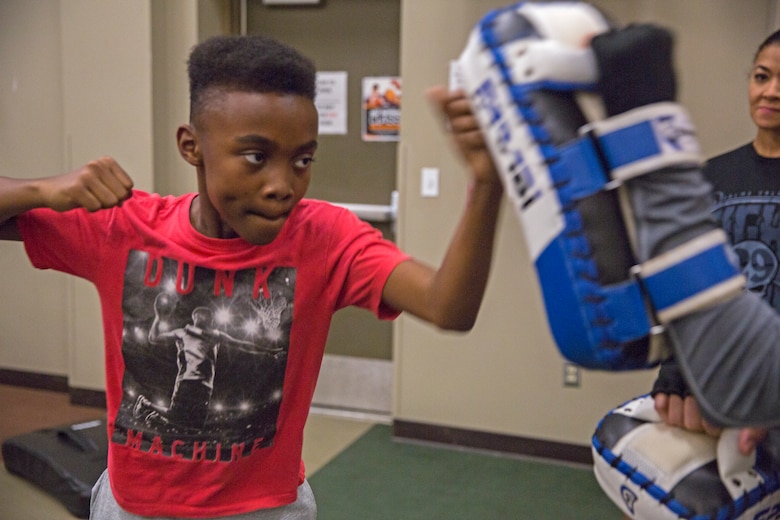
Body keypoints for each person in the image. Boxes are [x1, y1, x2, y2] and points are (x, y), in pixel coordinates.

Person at [0, 35, 504, 519]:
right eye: (256, 157)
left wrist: (486, 184)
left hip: (268, 509)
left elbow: (448, 306)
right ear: (191, 146)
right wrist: (42, 190)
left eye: (302, 160)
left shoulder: (326, 238)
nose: (282, 186)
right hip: (135, 507)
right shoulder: (124, 226)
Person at [651, 29, 780, 458]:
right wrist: (676, 366)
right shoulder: (712, 177)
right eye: (762, 76)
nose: (771, 92)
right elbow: (691, 286)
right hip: (723, 386)